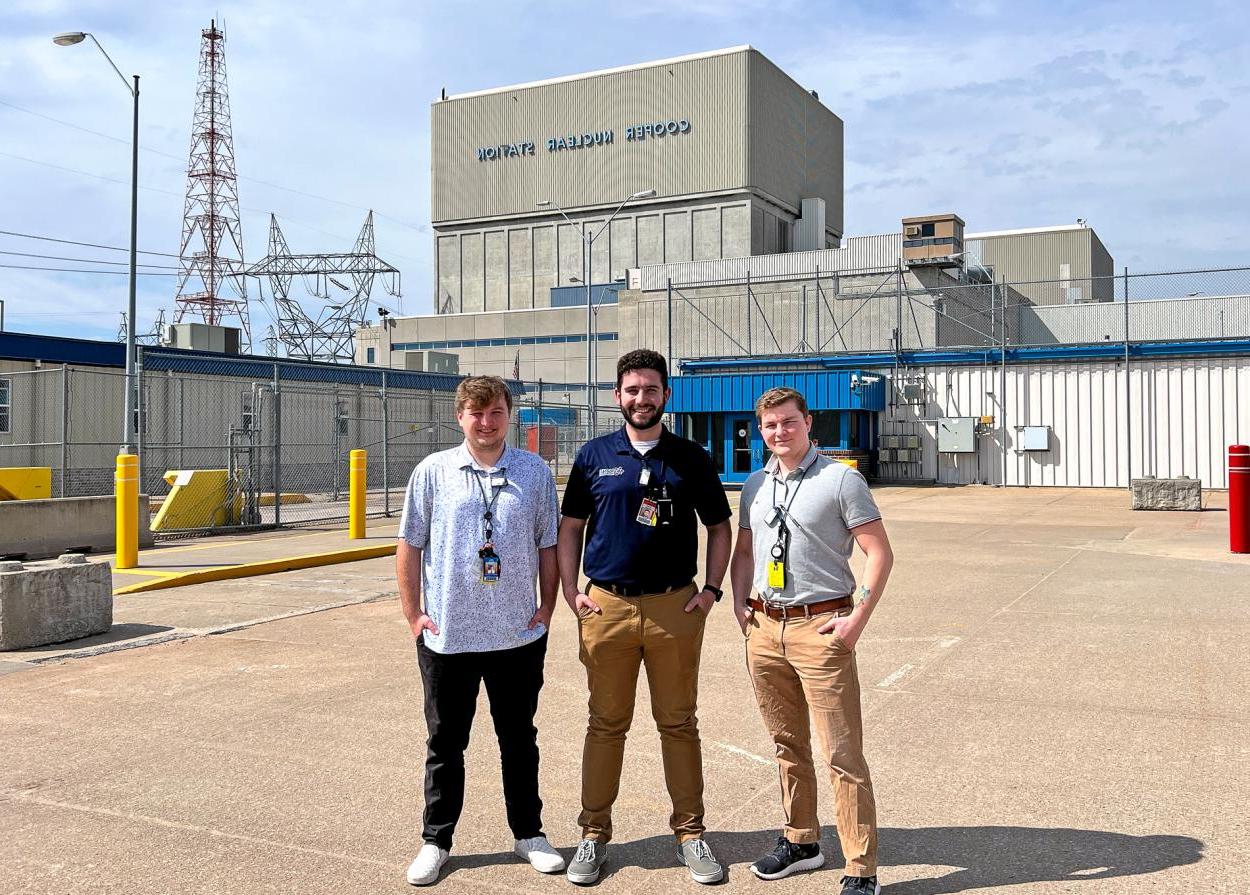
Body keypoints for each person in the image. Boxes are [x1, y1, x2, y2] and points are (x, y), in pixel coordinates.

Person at [557, 348, 733, 885]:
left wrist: (710, 591)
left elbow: (721, 527)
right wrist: (572, 591)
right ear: (618, 396)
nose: (641, 398)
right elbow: (570, 528)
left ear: (665, 396)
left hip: (673, 608)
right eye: (631, 390)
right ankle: (593, 835)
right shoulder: (593, 455)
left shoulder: (691, 457)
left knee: (678, 723)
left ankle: (691, 834)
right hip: (606, 605)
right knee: (605, 724)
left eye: (650, 389)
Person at [397, 375, 565, 886]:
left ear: (508, 415)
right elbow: (410, 545)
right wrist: (414, 616)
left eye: (495, 412)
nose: (486, 423)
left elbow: (548, 546)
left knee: (519, 739)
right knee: (446, 742)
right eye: (476, 413)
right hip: (450, 638)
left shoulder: (534, 473)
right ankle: (437, 840)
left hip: (517, 636)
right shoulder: (433, 472)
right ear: (460, 417)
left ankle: (528, 833)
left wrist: (548, 608)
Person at [730, 387, 894, 894]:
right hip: (764, 626)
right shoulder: (755, 484)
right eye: (769, 425)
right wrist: (740, 601)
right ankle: (802, 839)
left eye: (788, 422)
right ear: (760, 431)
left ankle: (860, 867)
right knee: (786, 744)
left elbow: (879, 553)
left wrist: (855, 621)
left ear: (808, 423)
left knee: (841, 752)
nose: (779, 432)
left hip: (821, 628)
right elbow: (745, 551)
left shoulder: (842, 480)